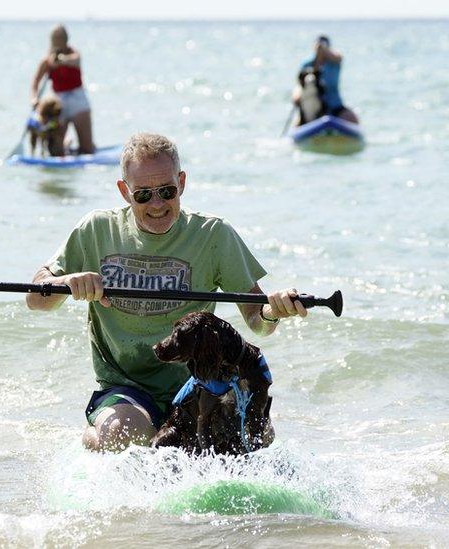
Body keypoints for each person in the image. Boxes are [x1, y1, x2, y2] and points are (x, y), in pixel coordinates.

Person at [26, 133, 307, 452]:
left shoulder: (214, 235)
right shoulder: (95, 230)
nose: (157, 204)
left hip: (200, 387)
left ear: (182, 183)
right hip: (126, 390)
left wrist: (275, 310)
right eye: (143, 194)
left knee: (260, 440)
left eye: (167, 191)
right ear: (124, 191)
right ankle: (96, 438)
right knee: (122, 433)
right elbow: (35, 299)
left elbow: (258, 320)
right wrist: (67, 283)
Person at [30, 24, 96, 155]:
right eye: (56, 38)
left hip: (78, 99)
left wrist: (60, 60)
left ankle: (85, 145)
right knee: (56, 150)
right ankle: (65, 144)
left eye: (61, 38)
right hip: (59, 103)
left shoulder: (74, 54)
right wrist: (34, 98)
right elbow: (35, 82)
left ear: (66, 39)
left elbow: (74, 60)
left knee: (87, 149)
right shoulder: (46, 61)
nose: (59, 41)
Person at [292, 35, 358, 125]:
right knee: (297, 123)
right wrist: (297, 95)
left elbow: (339, 57)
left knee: (352, 118)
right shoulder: (307, 64)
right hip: (313, 107)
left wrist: (324, 49)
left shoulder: (334, 63)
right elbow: (299, 84)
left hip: (334, 105)